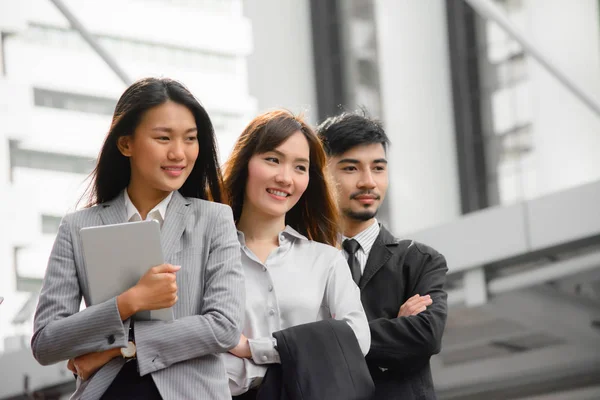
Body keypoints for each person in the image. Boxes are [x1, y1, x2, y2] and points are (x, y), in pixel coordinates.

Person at [31, 77, 245, 400]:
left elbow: (224, 326)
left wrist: (122, 349)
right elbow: (46, 342)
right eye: (163, 138)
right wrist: (129, 301)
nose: (179, 153)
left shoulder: (214, 220)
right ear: (125, 144)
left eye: (190, 138)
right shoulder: (77, 227)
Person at [221, 110, 371, 398]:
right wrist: (293, 360)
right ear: (246, 163)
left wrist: (252, 349)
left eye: (300, 167)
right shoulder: (209, 258)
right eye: (273, 160)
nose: (285, 178)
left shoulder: (325, 260)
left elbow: (356, 338)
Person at [317, 112, 448, 400]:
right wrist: (395, 329)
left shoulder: (420, 260)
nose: (368, 182)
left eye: (378, 168)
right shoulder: (304, 259)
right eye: (351, 169)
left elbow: (425, 335)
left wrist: (327, 341)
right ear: (321, 173)